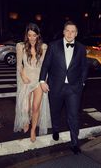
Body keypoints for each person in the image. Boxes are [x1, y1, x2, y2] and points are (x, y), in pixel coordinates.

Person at [39, 21, 88, 154]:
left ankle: (74, 143)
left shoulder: (81, 48)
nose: (70, 33)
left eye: (73, 31)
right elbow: (46, 65)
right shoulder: (53, 46)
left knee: (73, 115)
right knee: (55, 111)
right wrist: (42, 81)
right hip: (55, 86)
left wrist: (82, 83)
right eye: (67, 30)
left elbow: (84, 67)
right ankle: (55, 129)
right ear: (63, 32)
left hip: (73, 88)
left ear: (76, 34)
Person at [14, 23, 51, 142]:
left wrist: (43, 81)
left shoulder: (43, 47)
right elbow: (19, 65)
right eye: (29, 35)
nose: (32, 38)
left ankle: (33, 129)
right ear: (26, 35)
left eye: (34, 35)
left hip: (38, 79)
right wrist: (23, 76)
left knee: (35, 107)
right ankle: (26, 121)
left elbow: (45, 66)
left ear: (38, 35)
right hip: (26, 79)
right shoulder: (20, 46)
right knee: (25, 108)